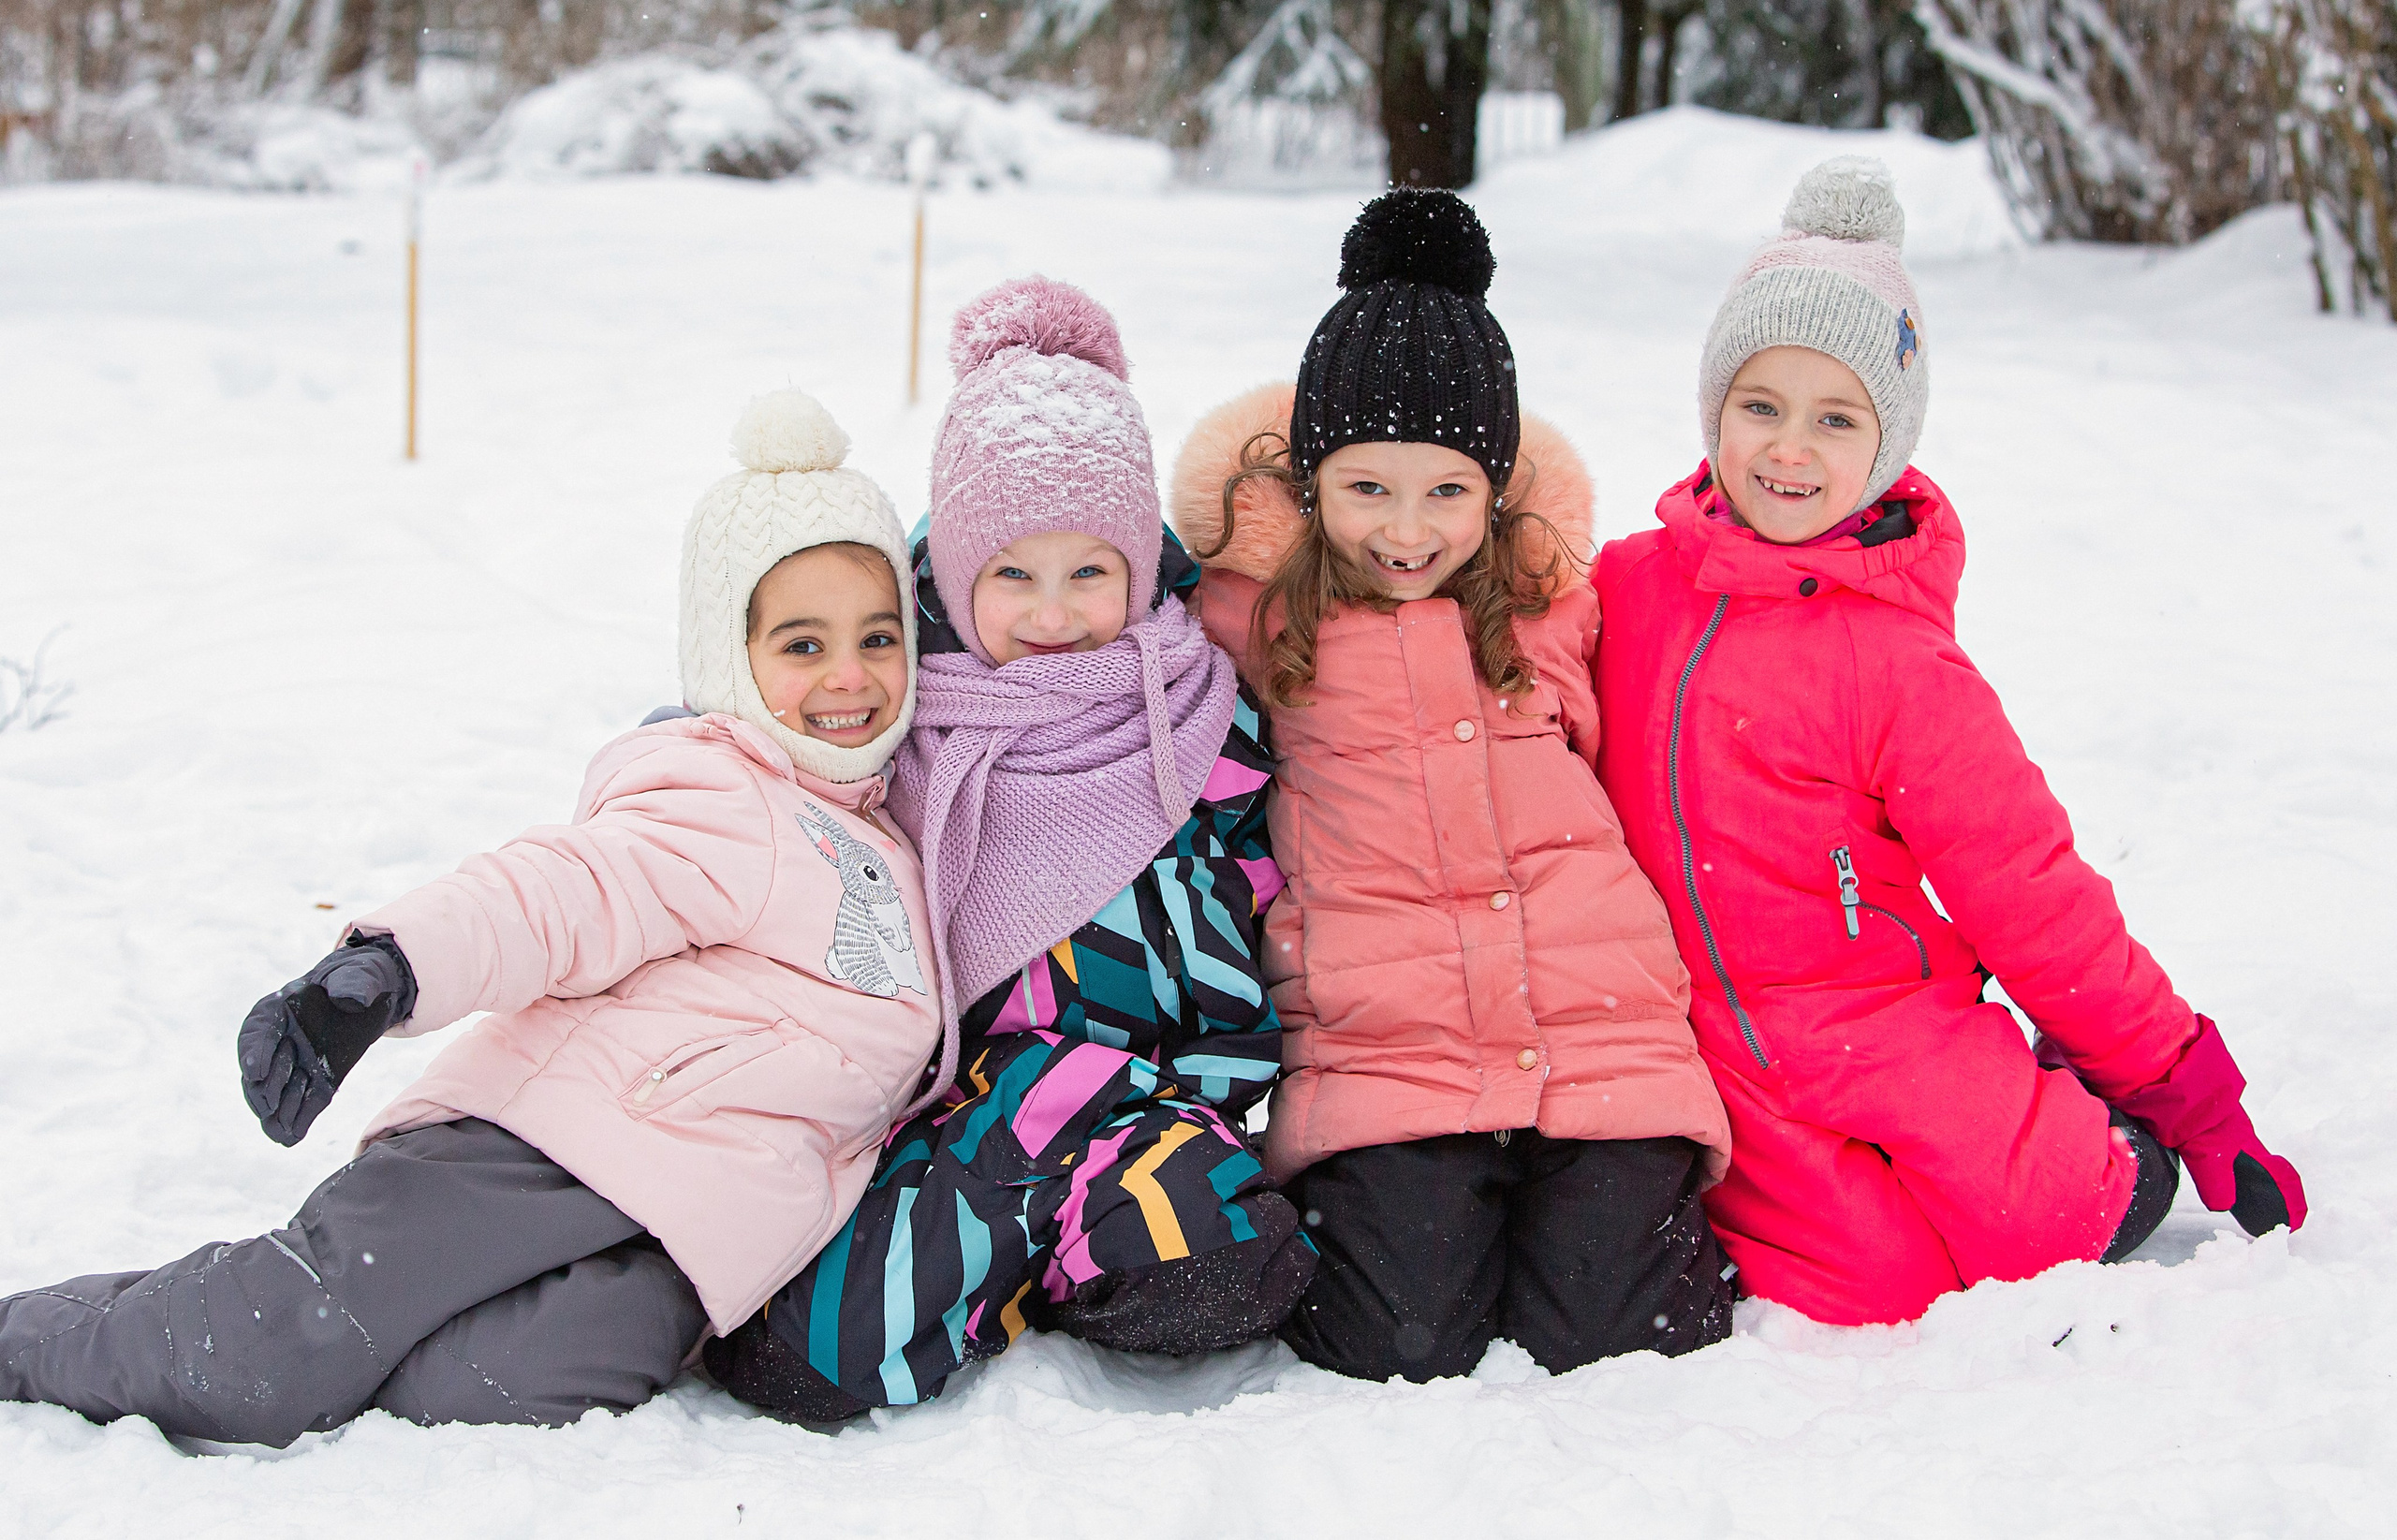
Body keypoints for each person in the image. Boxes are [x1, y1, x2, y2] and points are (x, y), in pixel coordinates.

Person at [0, 389, 942, 1445]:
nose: (849, 677)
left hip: (677, 1242)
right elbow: (562, 890)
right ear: (730, 655)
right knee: (269, 1352)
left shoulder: (893, 832)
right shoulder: (724, 790)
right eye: (802, 646)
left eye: (876, 636)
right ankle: (25, 1340)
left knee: (484, 1393)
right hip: (541, 1148)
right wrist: (391, 968)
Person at [1592, 156, 2308, 1327]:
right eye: (1760, 406)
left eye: (1836, 419)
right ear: (1713, 408)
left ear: (1886, 443)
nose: (1788, 449)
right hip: (1698, 1035)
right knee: (1855, 1283)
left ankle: (2103, 1132)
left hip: (1872, 1017)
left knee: (2053, 1217)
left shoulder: (1900, 664)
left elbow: (2031, 890)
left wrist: (2180, 1083)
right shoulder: (1628, 584)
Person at [705, 278, 1313, 1421]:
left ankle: (1060, 1237)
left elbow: (1264, 884)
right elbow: (778, 788)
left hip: (1165, 1090)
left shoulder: (1198, 702)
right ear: (953, 572)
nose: (1053, 611)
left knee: (1215, 1262)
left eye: (1090, 571)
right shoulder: (912, 711)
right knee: (806, 1357)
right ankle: (1024, 1231)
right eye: (1012, 574)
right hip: (966, 1093)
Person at [1173, 191, 1736, 1384]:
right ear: (1309, 480)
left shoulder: (1558, 611)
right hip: (1389, 1049)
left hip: (1597, 1027)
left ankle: (1592, 1234)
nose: (1407, 529)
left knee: (1612, 1337)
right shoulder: (1254, 621)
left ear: (1496, 492)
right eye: (1367, 488)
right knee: (1401, 1340)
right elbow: (1088, 615)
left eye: (1446, 491)